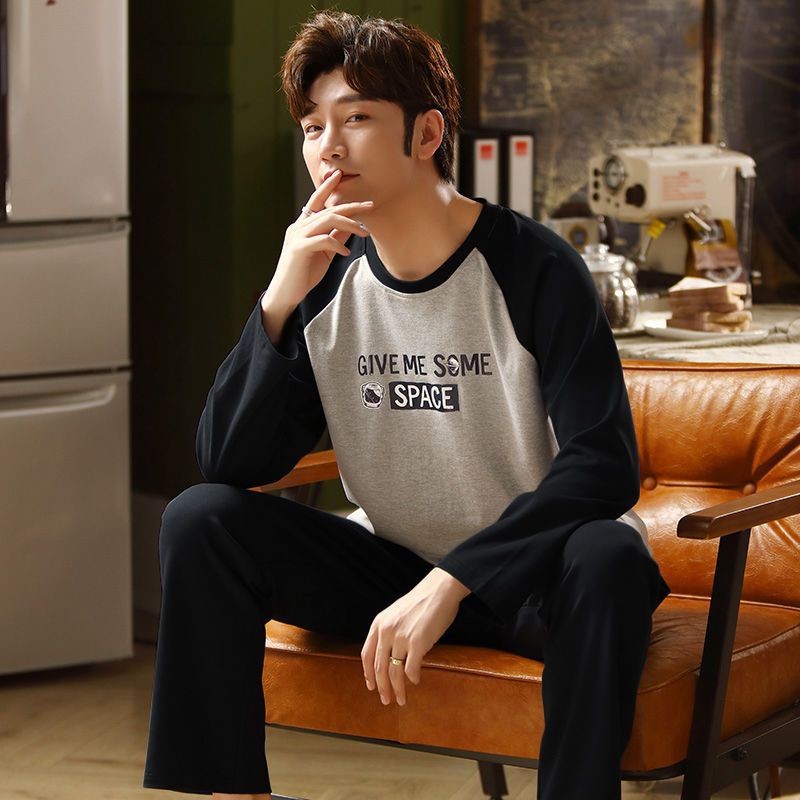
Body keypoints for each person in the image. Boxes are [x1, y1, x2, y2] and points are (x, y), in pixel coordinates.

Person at [142, 9, 671, 800]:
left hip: (532, 575)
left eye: (355, 118)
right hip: (393, 565)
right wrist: (279, 298)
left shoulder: (535, 267)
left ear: (427, 134)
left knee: (611, 556)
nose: (328, 145)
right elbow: (229, 462)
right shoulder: (324, 282)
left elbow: (604, 465)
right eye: (313, 126)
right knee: (199, 518)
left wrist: (453, 579)